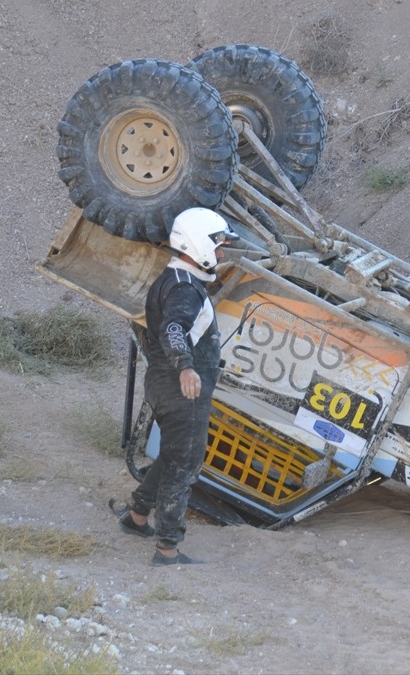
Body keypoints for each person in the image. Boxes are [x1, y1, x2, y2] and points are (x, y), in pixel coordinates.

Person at [113, 207, 238, 566]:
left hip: (163, 382)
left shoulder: (176, 280)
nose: (221, 254)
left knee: (171, 457)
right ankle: (167, 549)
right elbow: (173, 329)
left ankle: (137, 517)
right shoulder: (186, 290)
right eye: (217, 247)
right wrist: (186, 367)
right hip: (181, 389)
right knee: (185, 464)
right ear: (197, 244)